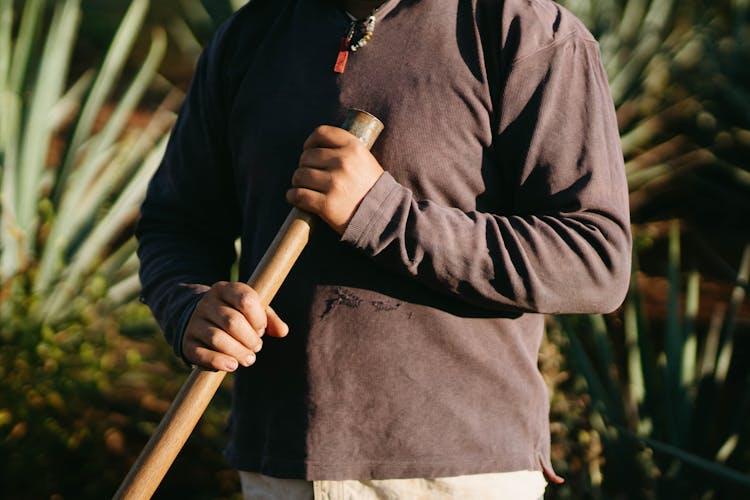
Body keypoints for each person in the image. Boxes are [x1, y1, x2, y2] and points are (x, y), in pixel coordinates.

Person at [136, 0, 631, 497]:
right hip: (281, 469)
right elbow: (176, 224)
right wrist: (189, 305)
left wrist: (382, 215)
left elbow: (595, 259)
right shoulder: (249, 36)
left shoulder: (522, 31)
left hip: (454, 475)